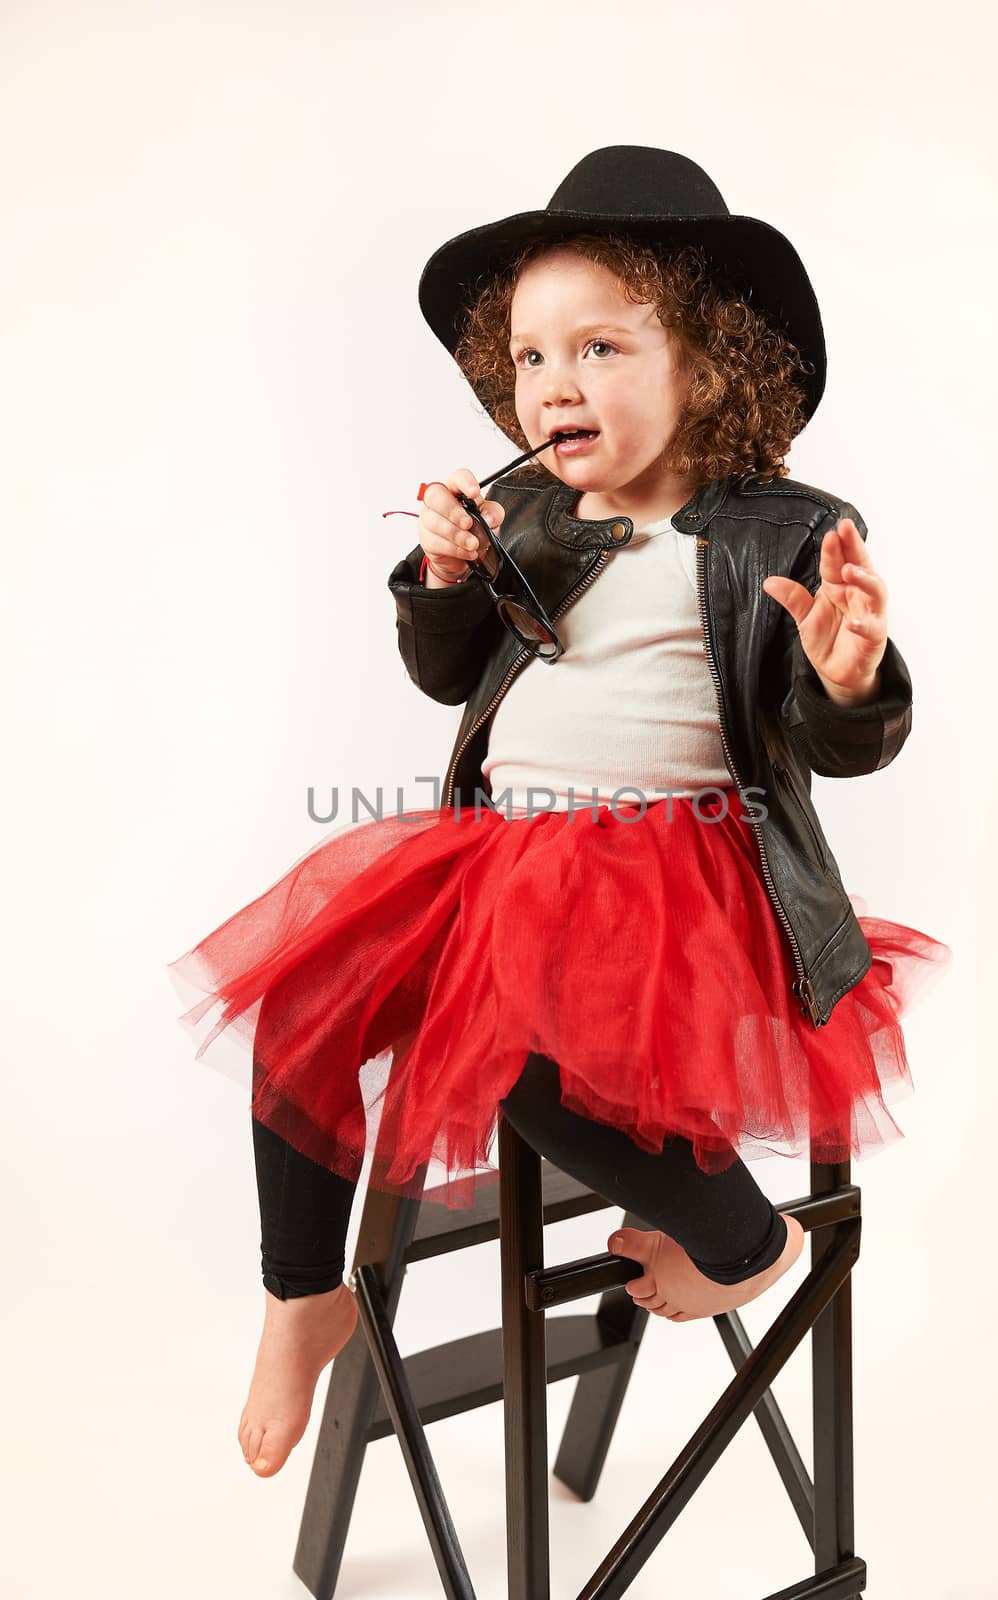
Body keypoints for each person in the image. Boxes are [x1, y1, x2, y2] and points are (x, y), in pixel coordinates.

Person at [167, 145, 951, 1480]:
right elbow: (452, 675)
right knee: (301, 1003)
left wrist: (852, 675)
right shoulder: (530, 507)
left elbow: (835, 741)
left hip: (679, 875)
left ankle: (738, 1236)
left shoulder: (781, 530)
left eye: (600, 346)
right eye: (531, 358)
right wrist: (441, 575)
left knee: (526, 1056)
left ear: (708, 363)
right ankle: (303, 1294)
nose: (556, 383)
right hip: (494, 856)